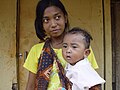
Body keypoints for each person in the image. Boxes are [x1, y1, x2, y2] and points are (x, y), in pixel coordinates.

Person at [23, 0, 98, 90]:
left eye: (57, 17)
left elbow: (93, 82)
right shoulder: (36, 50)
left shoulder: (81, 48)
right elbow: (30, 86)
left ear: (65, 18)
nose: (53, 24)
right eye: (46, 20)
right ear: (42, 24)